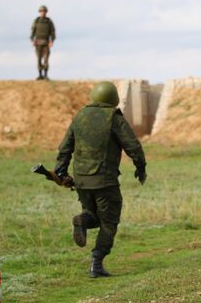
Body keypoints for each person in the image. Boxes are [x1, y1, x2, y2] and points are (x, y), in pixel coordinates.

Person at [54, 82, 147, 278]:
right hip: (105, 181)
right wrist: (140, 166)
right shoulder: (113, 117)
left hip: (81, 180)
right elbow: (133, 145)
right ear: (112, 99)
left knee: (92, 214)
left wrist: (60, 172)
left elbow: (65, 147)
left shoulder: (79, 116)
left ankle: (82, 220)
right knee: (109, 220)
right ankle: (97, 263)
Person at [30, 5, 56, 80]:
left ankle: (45, 75)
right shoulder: (36, 21)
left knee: (46, 59)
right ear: (40, 12)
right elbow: (33, 31)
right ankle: (40, 75)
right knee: (39, 59)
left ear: (46, 12)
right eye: (41, 11)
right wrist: (32, 40)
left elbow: (52, 32)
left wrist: (51, 41)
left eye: (44, 11)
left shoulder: (49, 21)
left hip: (46, 43)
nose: (43, 13)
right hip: (38, 43)